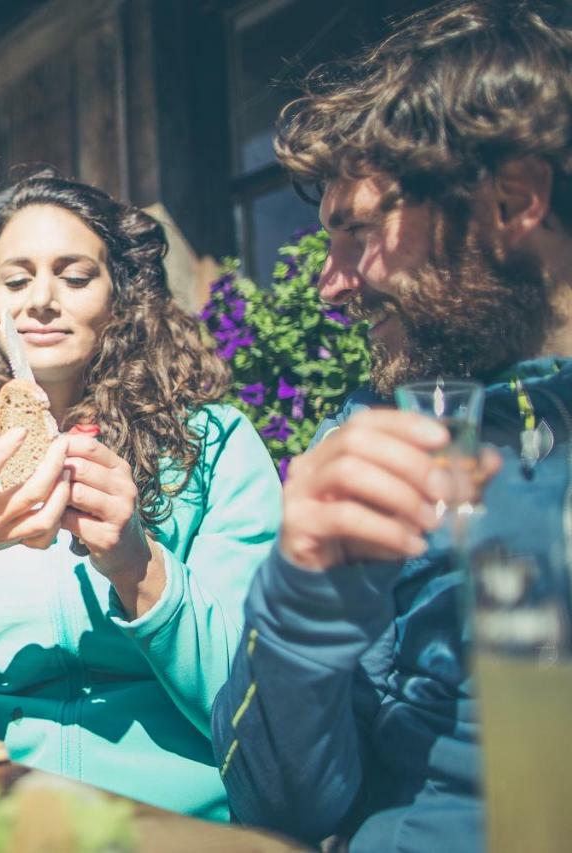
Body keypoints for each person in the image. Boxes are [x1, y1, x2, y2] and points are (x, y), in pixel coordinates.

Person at [211, 2, 572, 849]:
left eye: (358, 231)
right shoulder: (373, 443)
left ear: (514, 199)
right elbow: (280, 807)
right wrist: (300, 610)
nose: (330, 284)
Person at [0, 171, 282, 819]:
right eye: (16, 280)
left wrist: (139, 566)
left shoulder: (213, 444)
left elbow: (260, 708)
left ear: (122, 295)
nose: (40, 299)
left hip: (171, 817)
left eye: (74, 276)